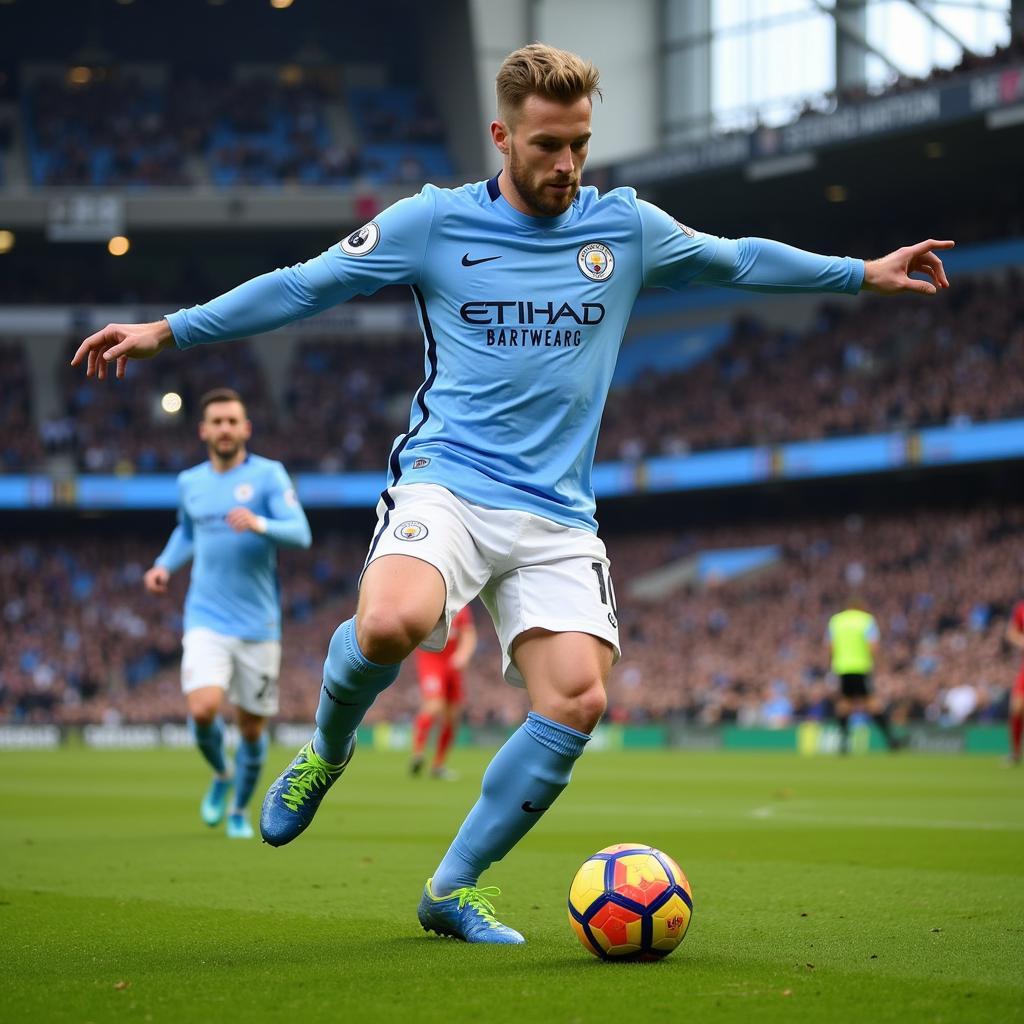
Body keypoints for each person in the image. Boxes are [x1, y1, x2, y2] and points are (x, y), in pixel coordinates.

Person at [72, 43, 953, 943]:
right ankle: (325, 751)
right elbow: (304, 287)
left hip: (558, 512)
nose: (567, 166)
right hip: (448, 481)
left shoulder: (626, 229)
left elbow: (738, 259)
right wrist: (168, 333)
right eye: (546, 146)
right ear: (502, 136)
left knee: (576, 697)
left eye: (579, 145)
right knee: (388, 624)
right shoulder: (432, 224)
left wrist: (863, 272)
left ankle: (452, 888)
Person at [143, 387, 311, 838]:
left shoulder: (269, 476)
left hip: (258, 624)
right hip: (205, 617)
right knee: (202, 709)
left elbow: (300, 533)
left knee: (252, 730)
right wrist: (163, 565)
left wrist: (260, 523)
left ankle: (238, 808)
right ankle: (221, 774)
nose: (224, 428)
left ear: (246, 429)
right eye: (216, 421)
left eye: (232, 421)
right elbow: (186, 532)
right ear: (203, 430)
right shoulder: (190, 483)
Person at [410, 604, 476, 779]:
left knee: (453, 717)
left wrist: (464, 654)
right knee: (434, 705)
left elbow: (468, 633)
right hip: (431, 662)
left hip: (452, 664)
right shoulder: (430, 600)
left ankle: (438, 766)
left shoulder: (461, 606)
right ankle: (418, 754)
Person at [826, 597, 901, 753]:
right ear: (860, 606)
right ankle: (890, 738)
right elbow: (873, 646)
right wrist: (878, 664)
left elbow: (830, 646)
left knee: (844, 703)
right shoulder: (866, 620)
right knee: (871, 702)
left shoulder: (836, 621)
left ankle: (843, 742)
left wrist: (834, 662)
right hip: (861, 666)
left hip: (842, 667)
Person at [1006, 597, 1024, 765]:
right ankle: (1015, 753)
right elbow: (1012, 632)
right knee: (1017, 708)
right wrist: (1021, 640)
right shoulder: (1021, 608)